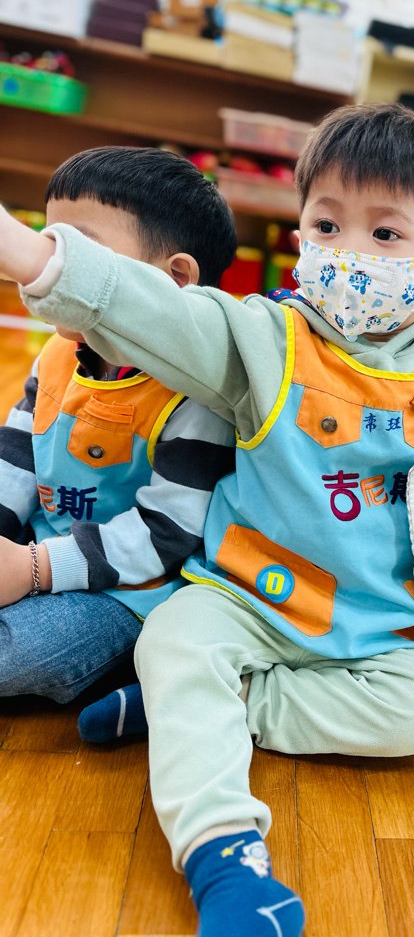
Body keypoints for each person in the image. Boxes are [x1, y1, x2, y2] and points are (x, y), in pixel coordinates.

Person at [0, 104, 414, 937]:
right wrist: (28, 251)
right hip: (240, 597)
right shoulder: (262, 339)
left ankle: (208, 703)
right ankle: (224, 856)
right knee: (175, 640)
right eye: (326, 225)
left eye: (385, 234)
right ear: (300, 238)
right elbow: (153, 309)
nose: (348, 250)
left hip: (371, 629)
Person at [0, 146, 236, 717]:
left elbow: (166, 535)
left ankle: (151, 676)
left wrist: (33, 569)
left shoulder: (197, 396)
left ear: (174, 279)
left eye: (78, 249)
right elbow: (17, 456)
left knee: (20, 654)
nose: (52, 264)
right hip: (38, 550)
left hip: (131, 588)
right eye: (50, 241)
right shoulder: (56, 356)